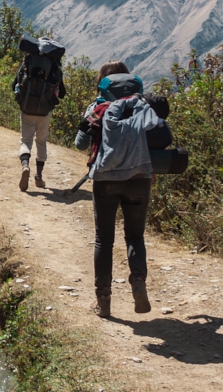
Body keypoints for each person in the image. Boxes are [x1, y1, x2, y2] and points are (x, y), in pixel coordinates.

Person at [74, 60, 158, 318]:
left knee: (104, 240)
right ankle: (138, 283)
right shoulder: (142, 105)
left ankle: (104, 301)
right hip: (139, 178)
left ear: (103, 81)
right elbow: (158, 139)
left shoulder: (98, 106)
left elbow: (80, 143)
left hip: (106, 180)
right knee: (134, 237)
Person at [13, 38, 66, 190]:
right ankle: (39, 176)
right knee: (41, 142)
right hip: (44, 111)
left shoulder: (27, 63)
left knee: (25, 141)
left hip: (27, 108)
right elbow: (62, 93)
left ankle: (25, 166)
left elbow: (14, 85)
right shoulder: (54, 67)